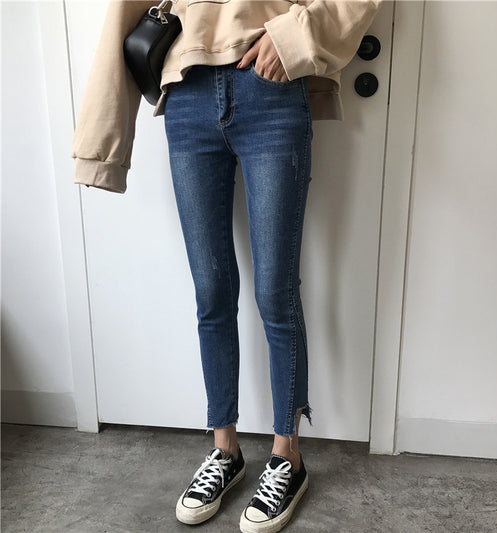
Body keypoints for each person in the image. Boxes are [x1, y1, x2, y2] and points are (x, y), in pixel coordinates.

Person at [71, 1, 382, 531]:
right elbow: (125, 11)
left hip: (273, 86)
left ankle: (287, 456)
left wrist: (293, 36)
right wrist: (100, 145)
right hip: (187, 92)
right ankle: (226, 449)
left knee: (275, 292)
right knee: (211, 292)